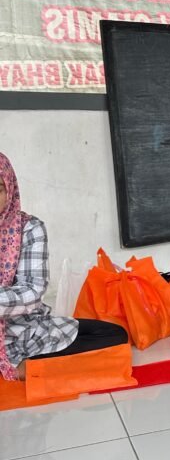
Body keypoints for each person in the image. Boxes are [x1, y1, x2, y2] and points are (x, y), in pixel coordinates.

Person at [0, 153, 127, 382]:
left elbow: (32, 293)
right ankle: (29, 367)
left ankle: (26, 366)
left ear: (10, 188)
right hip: (16, 328)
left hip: (23, 328)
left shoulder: (28, 229)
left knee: (114, 334)